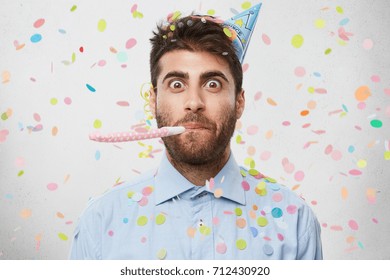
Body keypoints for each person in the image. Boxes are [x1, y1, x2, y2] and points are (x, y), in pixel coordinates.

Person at [70, 6, 323, 260]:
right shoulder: (100, 222)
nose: (194, 102)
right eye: (177, 84)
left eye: (212, 84)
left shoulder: (295, 222)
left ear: (239, 102)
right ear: (153, 101)